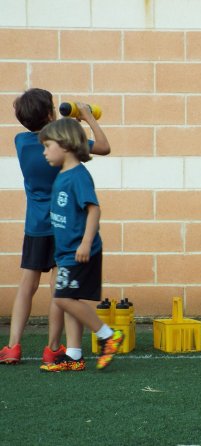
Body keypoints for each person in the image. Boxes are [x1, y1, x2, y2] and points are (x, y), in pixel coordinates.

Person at [0, 89, 111, 365]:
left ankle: (13, 346)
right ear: (50, 114)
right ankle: (52, 347)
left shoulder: (20, 142)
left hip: (35, 224)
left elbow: (40, 132)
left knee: (27, 284)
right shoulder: (62, 142)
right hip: (64, 226)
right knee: (57, 287)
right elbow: (104, 147)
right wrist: (85, 117)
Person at [37, 118, 123, 372]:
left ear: (64, 145)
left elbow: (94, 209)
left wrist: (85, 242)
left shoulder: (78, 176)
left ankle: (108, 335)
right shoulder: (63, 175)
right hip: (65, 252)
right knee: (68, 297)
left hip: (81, 251)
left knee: (62, 298)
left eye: (47, 145)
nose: (44, 152)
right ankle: (74, 356)